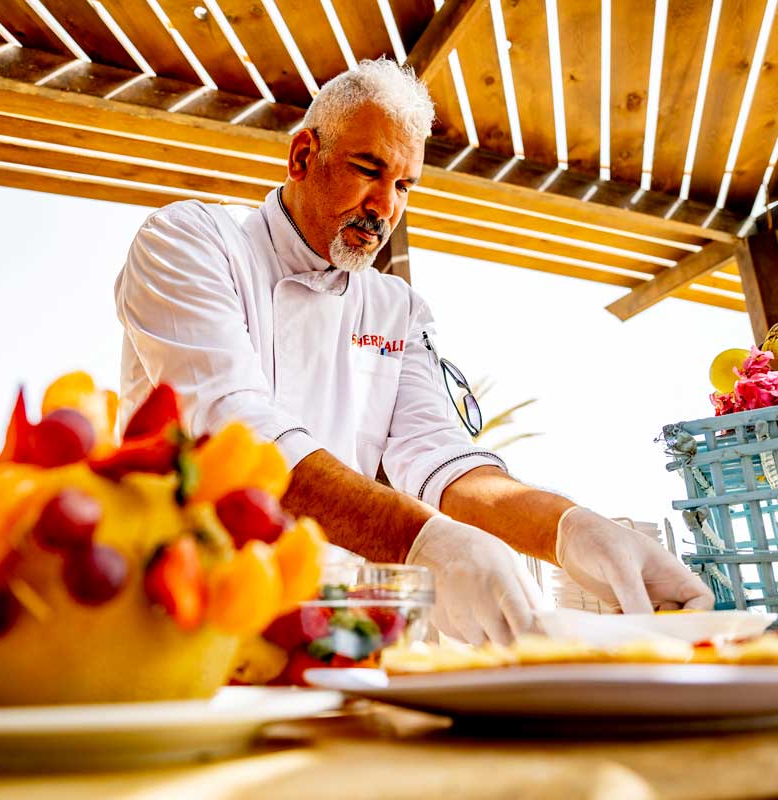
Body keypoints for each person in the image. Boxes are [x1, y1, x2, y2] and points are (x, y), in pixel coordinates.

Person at [115, 58, 713, 645]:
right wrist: (424, 541)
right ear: (302, 157)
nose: (384, 206)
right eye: (366, 168)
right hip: (181, 608)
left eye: (403, 185)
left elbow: (439, 462)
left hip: (328, 626)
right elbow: (237, 433)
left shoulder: (394, 308)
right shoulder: (190, 240)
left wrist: (570, 529)